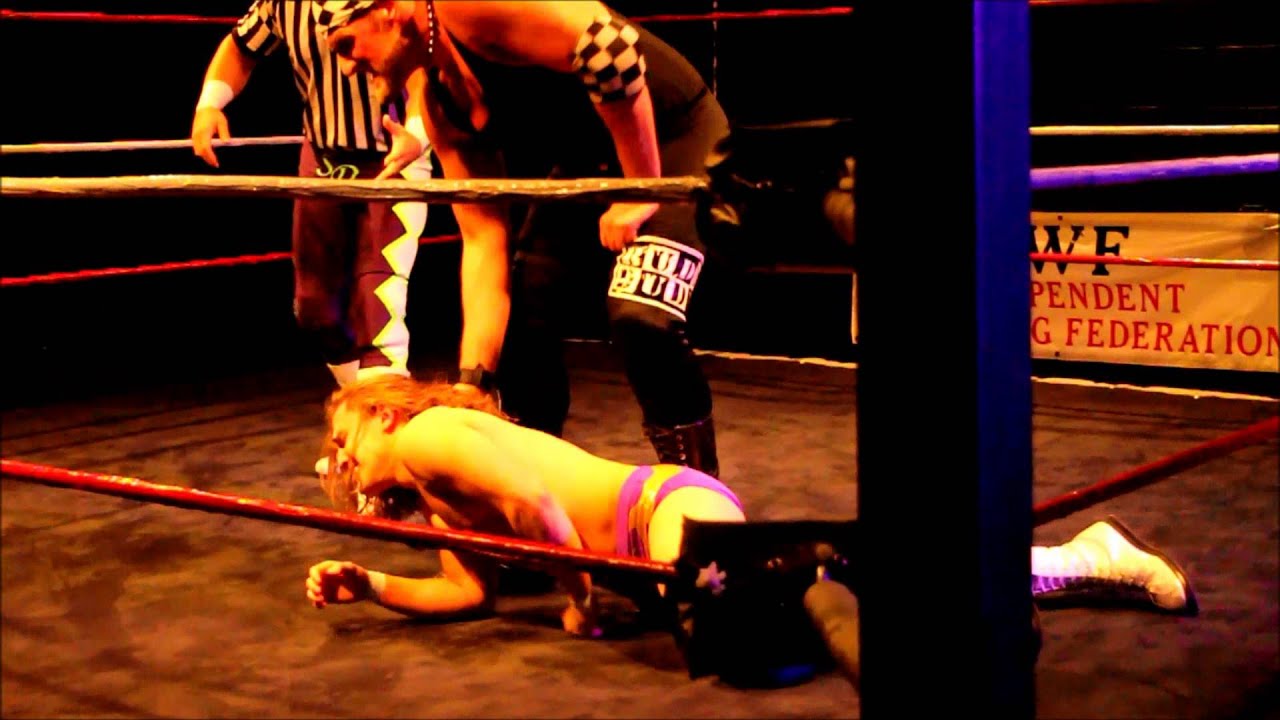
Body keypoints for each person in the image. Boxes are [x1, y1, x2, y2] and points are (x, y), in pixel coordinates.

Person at [304, 375, 1198, 638]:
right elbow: (468, 593)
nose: (342, 463)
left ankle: (1078, 562)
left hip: (659, 509)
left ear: (387, 415)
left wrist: (580, 601)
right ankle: (1069, 561)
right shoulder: (432, 496)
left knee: (778, 616)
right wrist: (371, 582)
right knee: (827, 602)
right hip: (650, 544)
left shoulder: (429, 436)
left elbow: (537, 501)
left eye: (346, 440)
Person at [310, 0, 732, 477]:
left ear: (387, 9)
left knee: (641, 318)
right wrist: (472, 383)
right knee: (522, 315)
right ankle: (533, 490)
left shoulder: (465, 7)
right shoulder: (439, 102)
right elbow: (483, 240)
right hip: (589, 166)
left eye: (346, 44)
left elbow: (611, 47)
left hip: (675, 142)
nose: (347, 67)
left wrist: (641, 187)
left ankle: (700, 496)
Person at [190, 0, 434, 402]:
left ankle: (382, 421)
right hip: (322, 158)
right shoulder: (282, 3)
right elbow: (240, 46)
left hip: (394, 156)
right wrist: (209, 105)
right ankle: (368, 413)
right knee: (316, 309)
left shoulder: (384, 6)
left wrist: (418, 134)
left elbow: (423, 61)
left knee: (379, 302)